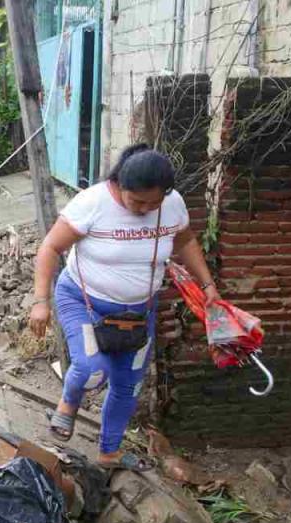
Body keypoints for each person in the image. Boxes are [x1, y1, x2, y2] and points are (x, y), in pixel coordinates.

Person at [29, 144, 220, 471]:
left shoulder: (172, 206)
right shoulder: (93, 203)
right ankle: (68, 401)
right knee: (92, 371)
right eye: (137, 201)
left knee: (127, 383)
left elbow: (185, 241)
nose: (145, 209)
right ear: (119, 185)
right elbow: (51, 247)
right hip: (83, 302)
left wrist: (208, 285)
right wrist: (40, 302)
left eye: (153, 202)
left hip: (137, 314)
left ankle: (109, 452)